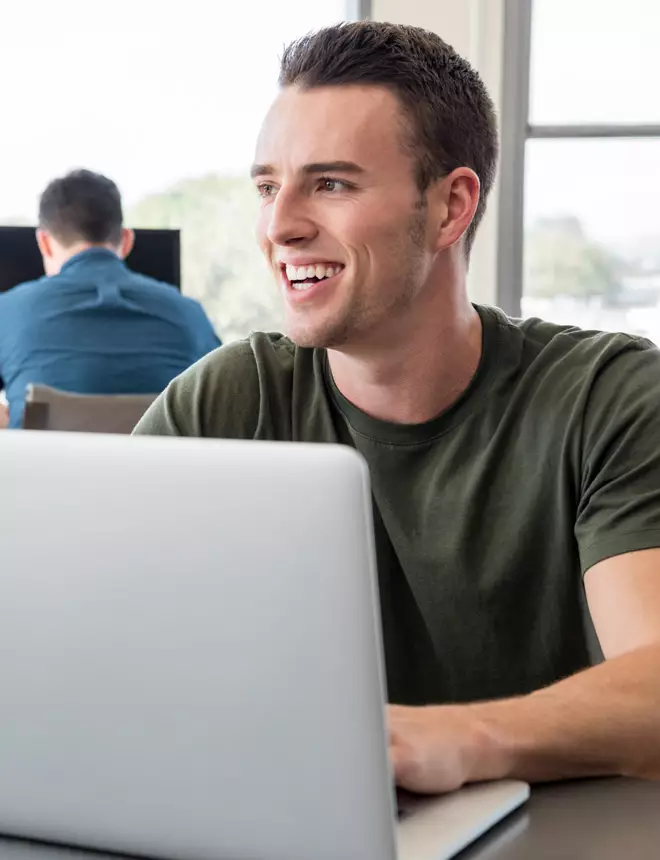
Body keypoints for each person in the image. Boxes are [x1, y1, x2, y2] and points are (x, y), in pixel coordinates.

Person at [135, 22, 660, 792]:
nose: (279, 225)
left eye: (332, 183)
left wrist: (463, 738)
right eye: (268, 186)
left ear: (451, 208)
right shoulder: (221, 402)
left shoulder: (607, 397)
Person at [0, 170, 220, 428]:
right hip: (160, 469)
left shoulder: (7, 311)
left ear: (44, 243)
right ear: (126, 241)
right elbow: (224, 405)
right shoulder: (190, 316)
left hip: (41, 469)